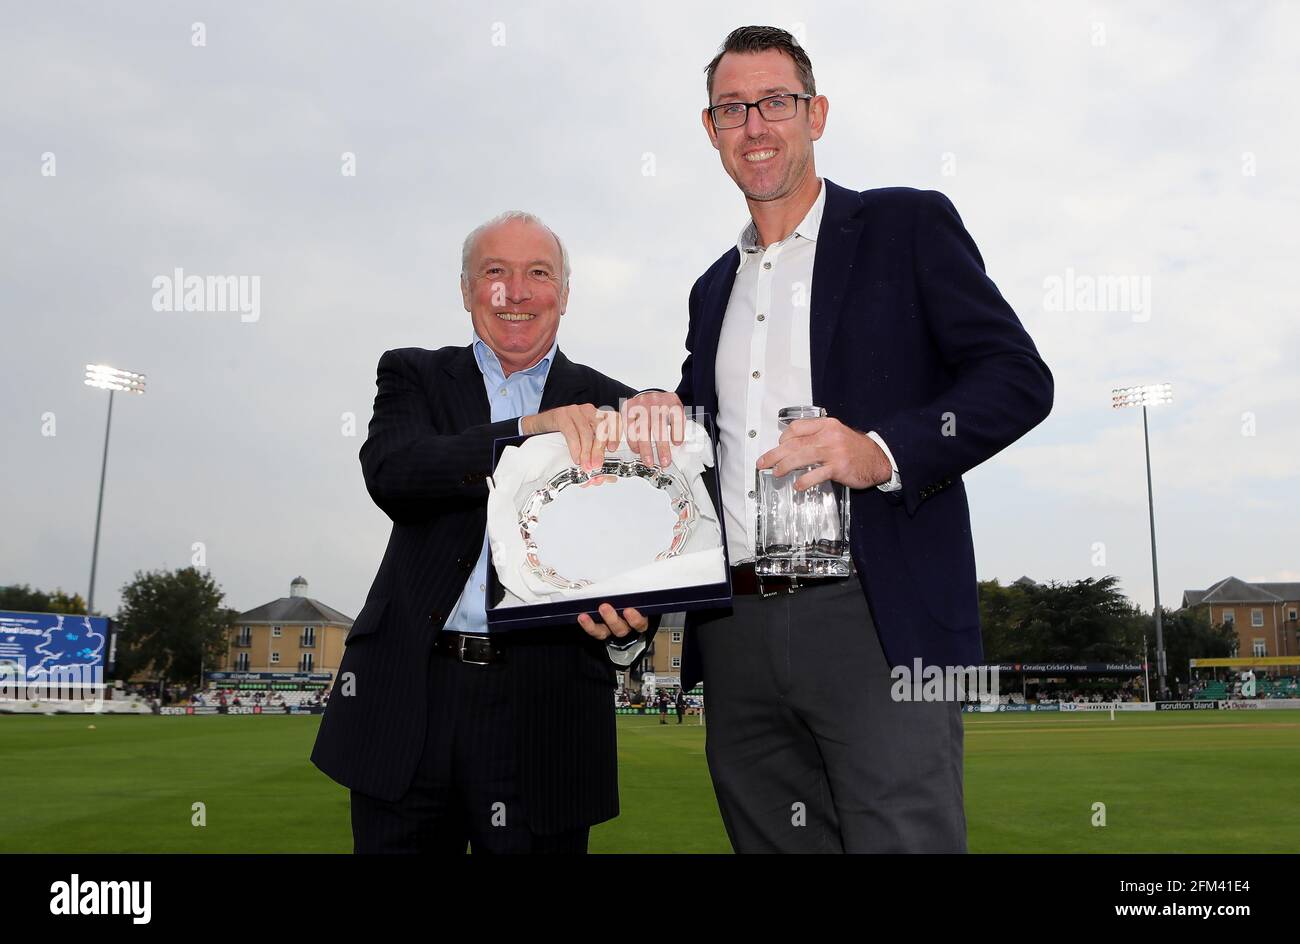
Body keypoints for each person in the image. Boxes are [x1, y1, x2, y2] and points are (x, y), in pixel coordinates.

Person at [626, 26, 1053, 852]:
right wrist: (663, 413)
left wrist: (881, 451)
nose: (755, 125)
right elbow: (704, 439)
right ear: (709, 130)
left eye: (775, 103)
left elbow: (1017, 378)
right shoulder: (711, 288)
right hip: (735, 626)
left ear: (815, 114)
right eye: (731, 109)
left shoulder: (906, 225)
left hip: (876, 613)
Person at [311, 211, 658, 853]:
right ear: (467, 288)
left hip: (547, 711)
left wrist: (630, 630)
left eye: (538, 273)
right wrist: (526, 434)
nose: (516, 292)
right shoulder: (412, 374)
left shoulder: (618, 407)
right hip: (412, 701)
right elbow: (394, 473)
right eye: (495, 272)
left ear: (565, 292)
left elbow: (646, 552)